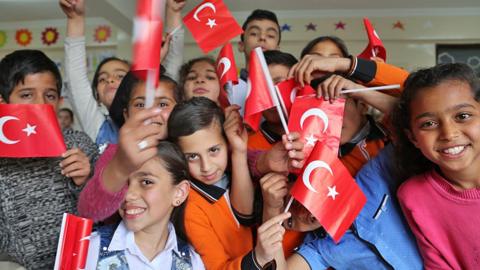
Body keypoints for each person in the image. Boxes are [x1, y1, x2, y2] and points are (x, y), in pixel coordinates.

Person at [0, 49, 98, 269]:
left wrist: (86, 182)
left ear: (59, 101)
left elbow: (104, 217)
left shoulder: (78, 145)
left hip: (80, 262)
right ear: (3, 101)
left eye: (50, 95)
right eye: (26, 94)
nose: (40, 104)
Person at [168, 97, 291, 269]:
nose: (207, 167)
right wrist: (258, 257)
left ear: (227, 143)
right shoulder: (191, 209)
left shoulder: (236, 169)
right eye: (192, 157)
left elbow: (245, 215)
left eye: (213, 150)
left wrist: (239, 150)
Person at [60, 0, 185, 149]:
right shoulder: (99, 128)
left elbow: (173, 71)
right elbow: (76, 80)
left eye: (120, 76)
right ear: (97, 97)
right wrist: (75, 19)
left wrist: (173, 12)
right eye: (102, 79)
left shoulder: (163, 124)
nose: (110, 81)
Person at [277, 144, 423, 270]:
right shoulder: (320, 249)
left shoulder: (373, 176)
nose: (300, 214)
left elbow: (412, 136)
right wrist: (269, 210)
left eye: (295, 202)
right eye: (290, 222)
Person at [393, 63, 480, 269]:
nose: (449, 134)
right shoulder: (414, 197)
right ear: (412, 137)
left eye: (463, 116)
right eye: (428, 124)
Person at [289, 35, 403, 176]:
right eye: (319, 108)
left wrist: (362, 82)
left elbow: (414, 105)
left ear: (362, 105)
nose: (330, 118)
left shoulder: (388, 134)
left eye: (337, 102)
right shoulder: (303, 152)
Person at [77, 69, 179, 221]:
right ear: (126, 115)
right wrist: (121, 167)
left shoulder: (187, 151)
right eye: (140, 104)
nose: (150, 112)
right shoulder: (114, 155)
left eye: (163, 104)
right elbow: (89, 211)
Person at [85, 141, 205, 269]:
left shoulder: (192, 263)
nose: (128, 195)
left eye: (146, 182)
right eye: (123, 183)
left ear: (179, 193)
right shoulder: (88, 251)